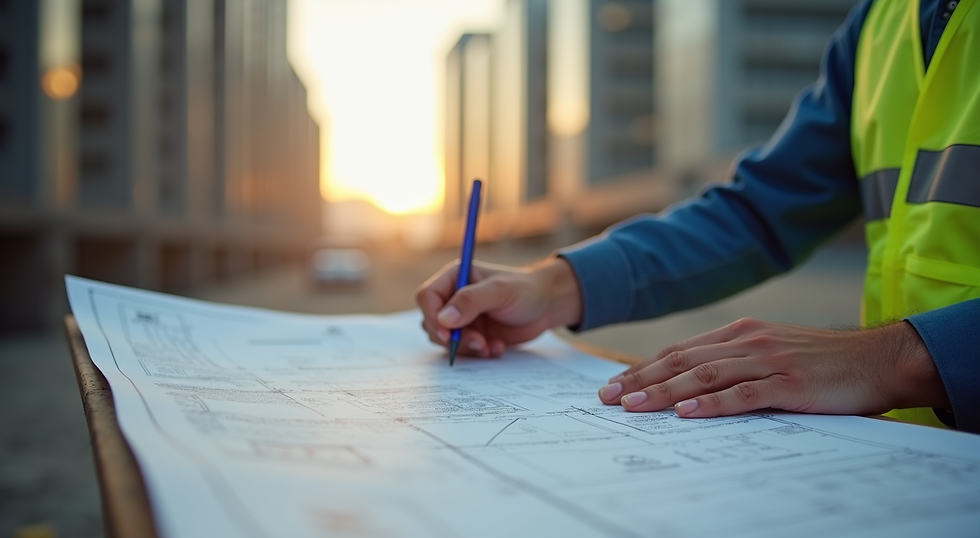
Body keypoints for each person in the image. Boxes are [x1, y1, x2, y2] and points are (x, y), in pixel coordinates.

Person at [417, 0, 980, 434]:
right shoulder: (883, 20)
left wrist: (902, 358)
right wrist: (553, 284)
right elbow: (760, 210)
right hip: (912, 459)